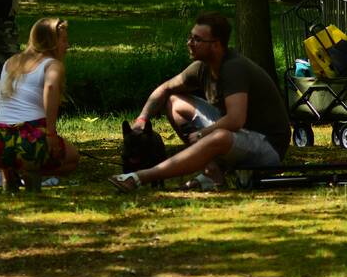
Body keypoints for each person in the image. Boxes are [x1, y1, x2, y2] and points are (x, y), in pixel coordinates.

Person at [109, 12, 290, 193]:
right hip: (238, 135)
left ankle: (140, 177)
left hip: (268, 146)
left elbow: (236, 120)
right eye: (190, 37)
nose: (189, 43)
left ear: (216, 45)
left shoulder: (233, 68)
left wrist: (203, 134)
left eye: (197, 40)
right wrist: (141, 120)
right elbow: (164, 89)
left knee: (219, 136)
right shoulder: (202, 68)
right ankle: (212, 173)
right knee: (174, 101)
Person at [0, 18, 78, 190]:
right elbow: (50, 88)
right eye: (64, 40)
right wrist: (50, 135)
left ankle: (10, 172)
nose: (67, 45)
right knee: (73, 158)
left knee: (13, 151)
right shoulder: (53, 65)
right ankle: (30, 171)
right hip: (29, 138)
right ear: (50, 42)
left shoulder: (11, 62)